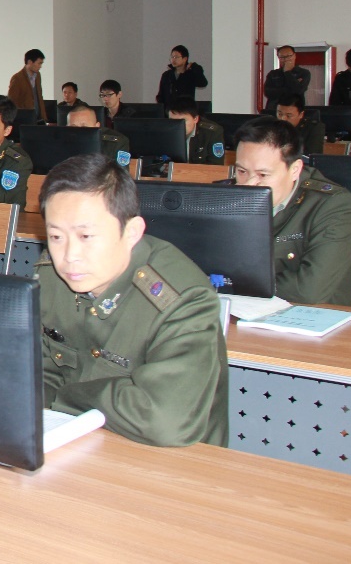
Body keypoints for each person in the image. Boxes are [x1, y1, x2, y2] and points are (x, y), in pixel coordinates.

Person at [38, 154, 228, 447]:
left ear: (132, 232)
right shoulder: (51, 276)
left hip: (173, 459)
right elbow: (37, 370)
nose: (69, 255)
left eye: (86, 236)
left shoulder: (183, 300)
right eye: (56, 237)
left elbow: (165, 421)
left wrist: (69, 398)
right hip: (86, 442)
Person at [234, 118, 351, 305]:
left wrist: (232, 283)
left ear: (295, 170)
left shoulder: (334, 205)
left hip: (314, 316)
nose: (250, 184)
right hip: (242, 310)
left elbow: (309, 290)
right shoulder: (226, 198)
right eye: (242, 171)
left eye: (263, 175)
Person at [66, 103, 131, 167]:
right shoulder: (62, 142)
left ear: (97, 126)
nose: (79, 131)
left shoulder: (116, 143)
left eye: (84, 127)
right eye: (73, 127)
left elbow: (120, 172)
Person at [166, 98, 225, 165]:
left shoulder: (212, 132)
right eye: (173, 121)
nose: (178, 125)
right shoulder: (164, 131)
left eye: (183, 121)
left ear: (195, 119)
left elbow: (216, 165)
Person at [264, 45, 311, 113]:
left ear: (294, 56)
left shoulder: (303, 73)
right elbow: (268, 92)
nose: (286, 59)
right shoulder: (273, 74)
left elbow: (298, 91)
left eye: (289, 56)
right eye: (282, 57)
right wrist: (290, 89)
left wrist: (287, 72)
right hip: (274, 110)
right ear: (279, 58)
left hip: (294, 111)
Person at [276, 91, 324, 156]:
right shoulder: (272, 126)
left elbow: (312, 155)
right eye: (280, 114)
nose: (283, 118)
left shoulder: (314, 128)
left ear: (301, 114)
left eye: (289, 115)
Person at [7, 48, 48, 123]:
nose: (40, 66)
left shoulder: (38, 76)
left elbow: (39, 96)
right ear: (30, 62)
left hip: (38, 119)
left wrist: (44, 117)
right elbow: (12, 101)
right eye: (39, 63)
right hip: (24, 120)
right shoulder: (17, 78)